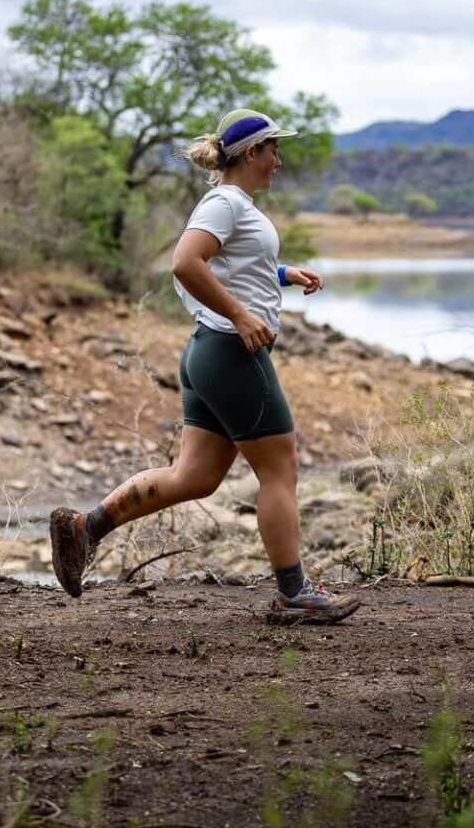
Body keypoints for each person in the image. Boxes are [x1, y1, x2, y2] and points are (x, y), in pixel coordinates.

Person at [48, 108, 362, 624]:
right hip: (231, 354)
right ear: (252, 153)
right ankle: (295, 594)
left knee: (194, 476)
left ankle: (85, 529)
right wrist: (240, 316)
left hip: (208, 354)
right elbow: (185, 261)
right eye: (273, 151)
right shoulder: (224, 203)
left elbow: (233, 264)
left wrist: (283, 273)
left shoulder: (235, 205)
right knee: (280, 469)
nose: (278, 162)